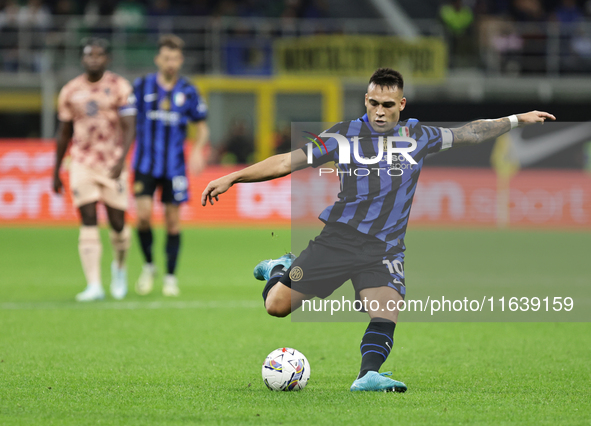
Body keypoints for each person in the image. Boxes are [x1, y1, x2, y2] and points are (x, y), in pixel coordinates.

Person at [201, 68, 555, 391]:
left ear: (401, 104)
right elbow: (284, 162)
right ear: (365, 101)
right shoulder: (342, 136)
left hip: (385, 249)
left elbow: (470, 133)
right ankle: (280, 268)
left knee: (386, 307)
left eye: (388, 104)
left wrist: (517, 119)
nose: (380, 110)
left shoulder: (418, 135)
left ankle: (366, 375)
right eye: (374, 103)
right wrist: (233, 176)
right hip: (337, 240)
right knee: (276, 306)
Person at [53, 37, 136, 302]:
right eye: (89, 55)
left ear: (106, 59)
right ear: (82, 58)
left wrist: (121, 159)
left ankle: (120, 267)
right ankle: (94, 285)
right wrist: (55, 170)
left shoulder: (119, 86)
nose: (94, 59)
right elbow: (64, 132)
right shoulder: (70, 90)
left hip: (112, 162)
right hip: (81, 162)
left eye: (99, 55)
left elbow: (129, 126)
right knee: (87, 217)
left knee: (118, 223)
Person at [132, 34, 209, 297]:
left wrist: (198, 148)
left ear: (181, 60)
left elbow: (201, 126)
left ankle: (170, 276)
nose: (171, 63)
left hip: (175, 166)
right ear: (158, 59)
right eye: (166, 58)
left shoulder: (188, 90)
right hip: (144, 163)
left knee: (173, 223)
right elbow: (127, 122)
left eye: (175, 58)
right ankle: (149, 265)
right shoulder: (141, 87)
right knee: (143, 218)